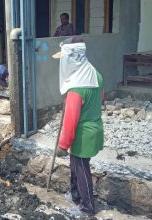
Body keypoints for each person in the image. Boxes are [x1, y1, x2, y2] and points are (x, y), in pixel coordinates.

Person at [53, 37, 104, 216]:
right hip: (95, 127)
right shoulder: (95, 74)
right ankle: (76, 196)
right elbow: (101, 98)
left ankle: (87, 206)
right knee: (76, 166)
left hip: (83, 135)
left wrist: (63, 145)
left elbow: (70, 120)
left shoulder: (76, 89)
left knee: (81, 170)